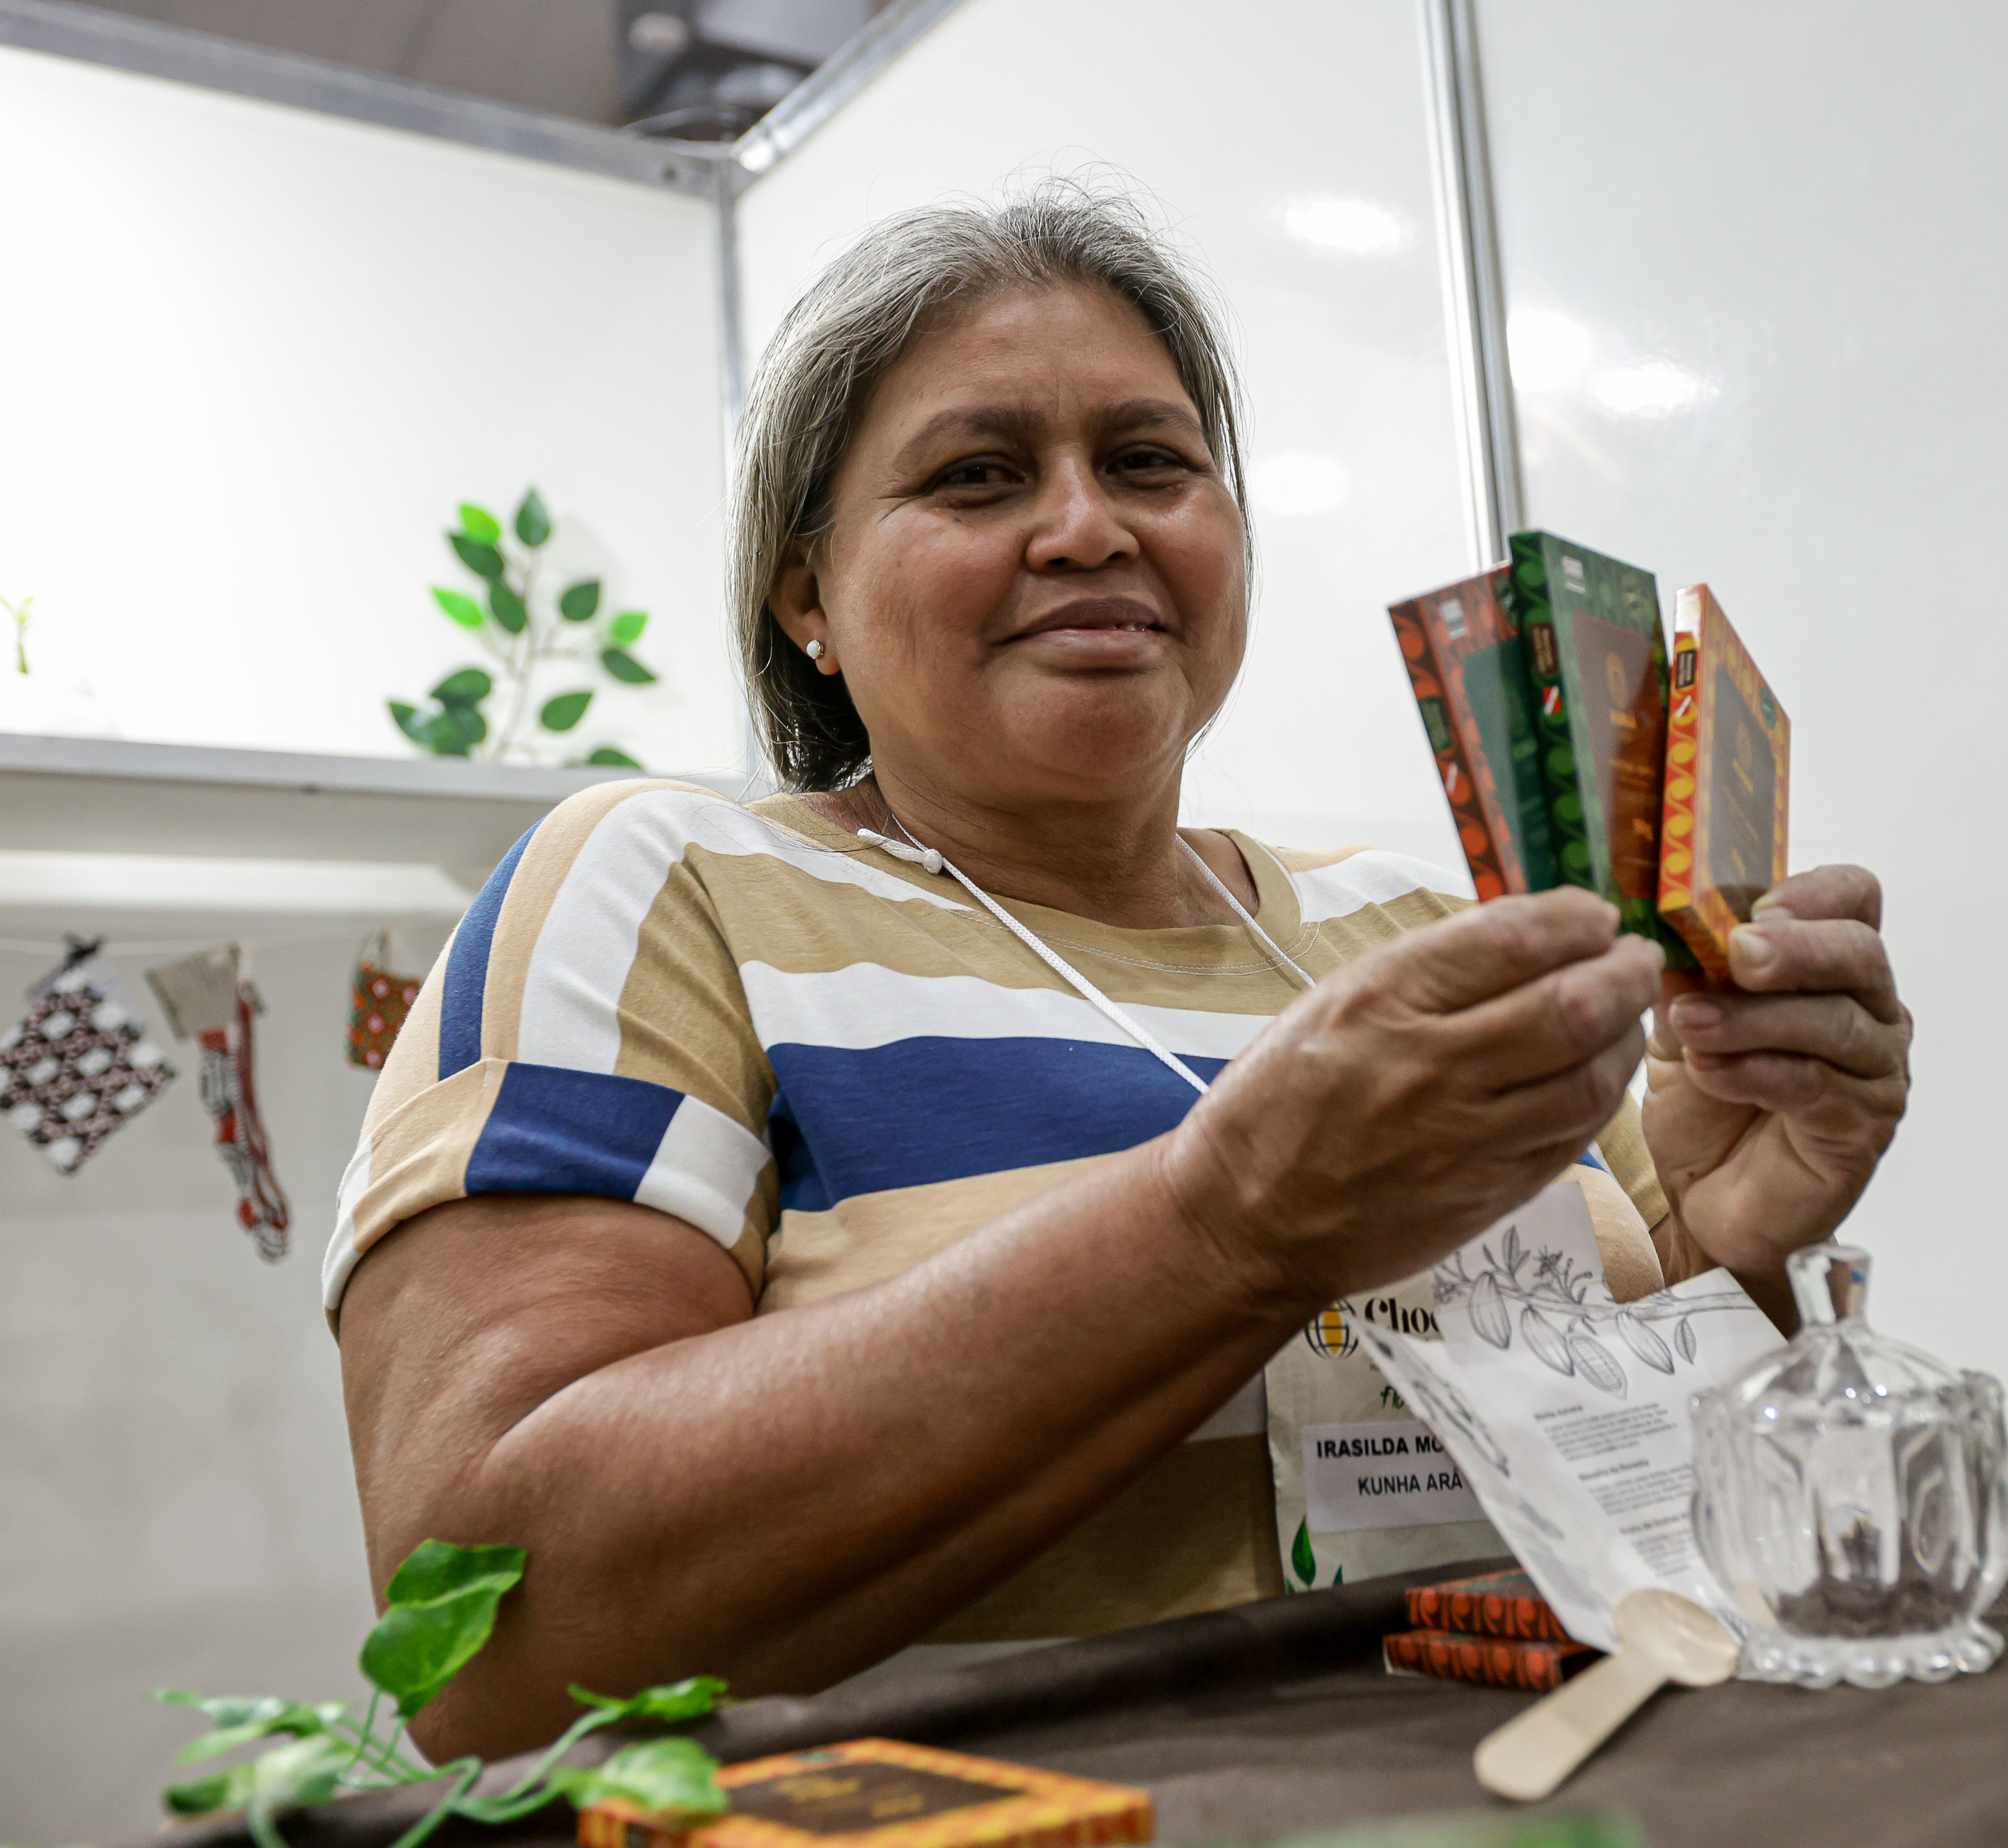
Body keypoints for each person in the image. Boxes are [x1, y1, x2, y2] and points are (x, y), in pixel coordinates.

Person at [330, 182, 1911, 1760]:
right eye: (976, 475)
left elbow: (1666, 1532)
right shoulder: (670, 883)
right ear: (806, 592)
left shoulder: (1423, 934)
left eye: (1151, 462)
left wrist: (1725, 1244)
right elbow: (489, 1639)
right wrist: (1225, 1223)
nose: (1091, 525)